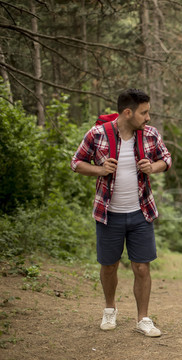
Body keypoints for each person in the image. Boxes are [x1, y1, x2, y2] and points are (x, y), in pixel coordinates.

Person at [71, 88, 171, 337]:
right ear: (128, 112)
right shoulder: (97, 134)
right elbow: (76, 163)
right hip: (108, 213)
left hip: (141, 212)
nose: (148, 118)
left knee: (142, 268)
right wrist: (100, 169)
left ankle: (143, 319)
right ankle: (109, 309)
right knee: (109, 266)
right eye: (144, 112)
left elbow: (166, 159)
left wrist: (153, 167)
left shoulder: (150, 134)